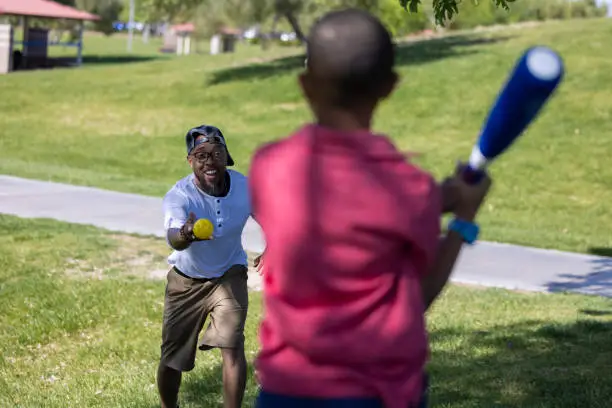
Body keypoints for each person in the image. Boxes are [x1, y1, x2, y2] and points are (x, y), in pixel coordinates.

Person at [248, 8, 492, 408]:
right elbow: (421, 295)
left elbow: (343, 207)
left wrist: (438, 199)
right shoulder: (409, 188)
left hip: (285, 391)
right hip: (376, 394)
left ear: (305, 85)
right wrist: (461, 217)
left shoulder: (268, 167)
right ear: (390, 86)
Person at [158, 124, 255, 408]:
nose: (209, 161)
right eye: (201, 155)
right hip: (187, 280)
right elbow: (173, 238)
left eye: (216, 153)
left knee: (233, 346)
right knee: (172, 359)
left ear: (227, 156)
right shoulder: (180, 196)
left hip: (229, 274)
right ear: (190, 161)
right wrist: (186, 234)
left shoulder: (244, 187)